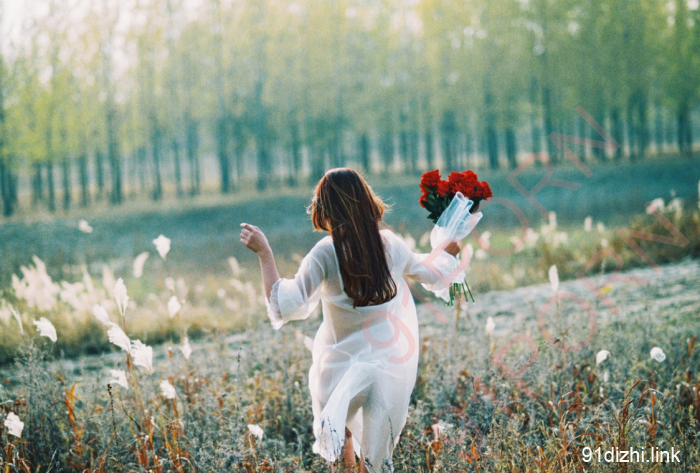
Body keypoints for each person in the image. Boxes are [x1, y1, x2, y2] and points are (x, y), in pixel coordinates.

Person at [240, 168, 471, 473]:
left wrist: (264, 253)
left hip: (337, 371)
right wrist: (445, 252)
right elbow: (432, 273)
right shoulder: (390, 244)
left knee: (340, 449)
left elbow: (285, 306)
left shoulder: (326, 252)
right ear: (366, 200)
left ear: (326, 210)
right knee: (374, 463)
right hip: (387, 368)